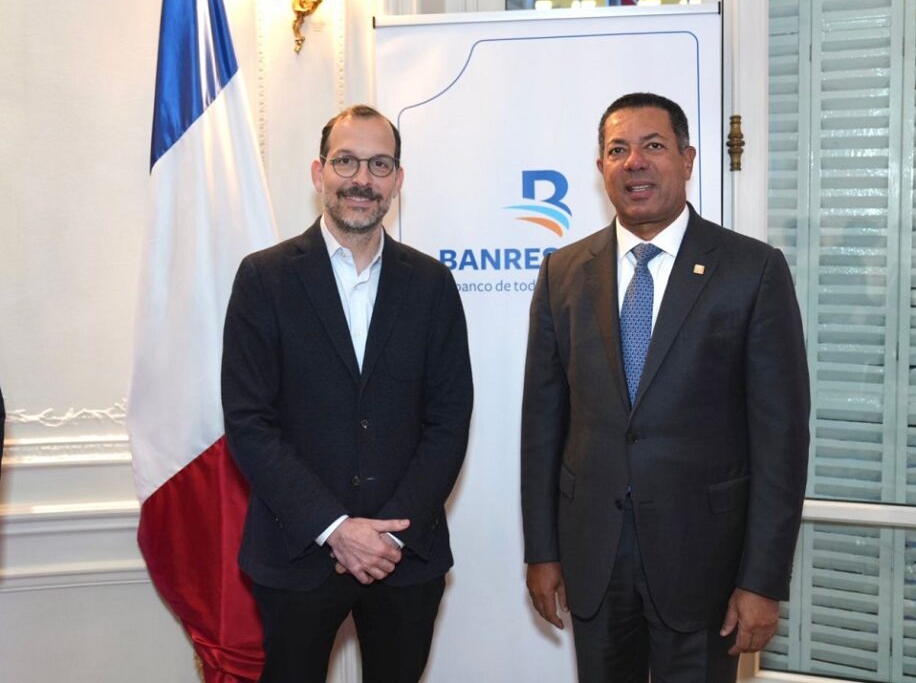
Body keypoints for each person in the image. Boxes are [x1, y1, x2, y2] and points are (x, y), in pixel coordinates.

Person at [520, 92, 810, 682]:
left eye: (653, 146)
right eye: (617, 150)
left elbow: (781, 442)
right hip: (594, 559)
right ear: (600, 167)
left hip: (705, 564)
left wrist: (762, 580)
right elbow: (542, 425)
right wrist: (542, 552)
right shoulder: (562, 272)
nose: (635, 162)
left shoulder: (752, 270)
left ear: (688, 158)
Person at [222, 105, 473, 683]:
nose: (362, 179)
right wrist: (336, 527)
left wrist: (385, 536)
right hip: (297, 552)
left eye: (379, 164)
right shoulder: (264, 279)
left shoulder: (432, 284)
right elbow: (249, 422)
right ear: (319, 173)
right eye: (346, 162)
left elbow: (449, 420)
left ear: (398, 180)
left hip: (403, 555)